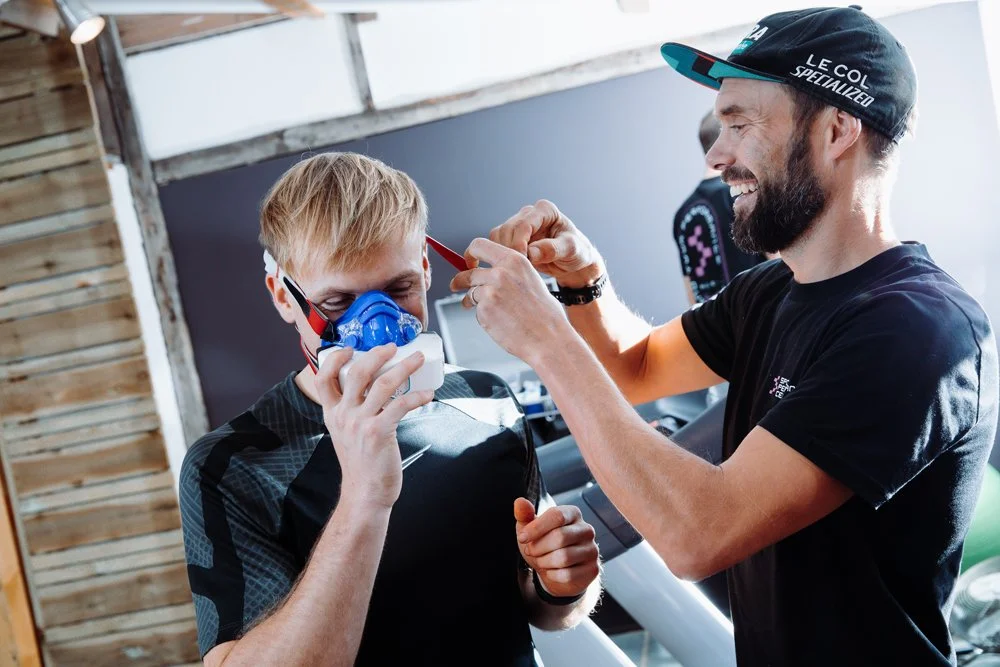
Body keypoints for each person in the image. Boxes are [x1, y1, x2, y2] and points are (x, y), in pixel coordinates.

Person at [451, 7, 998, 666]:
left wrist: (547, 339)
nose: (717, 155)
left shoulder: (916, 331)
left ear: (836, 130)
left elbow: (697, 532)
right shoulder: (773, 290)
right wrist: (583, 282)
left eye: (740, 124)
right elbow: (635, 366)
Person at [178, 153, 601, 667]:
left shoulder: (486, 403)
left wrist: (563, 585)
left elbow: (541, 606)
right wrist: (363, 498)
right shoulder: (234, 466)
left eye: (399, 288)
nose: (379, 324)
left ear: (425, 269)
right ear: (284, 298)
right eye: (337, 303)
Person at [673, 110, 765, 306]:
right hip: (758, 317)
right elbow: (777, 260)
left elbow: (691, 292)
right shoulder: (744, 194)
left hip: (712, 329)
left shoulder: (682, 215)